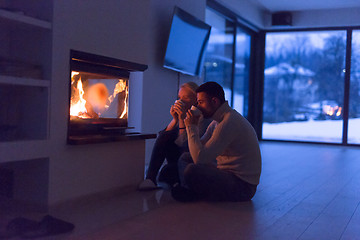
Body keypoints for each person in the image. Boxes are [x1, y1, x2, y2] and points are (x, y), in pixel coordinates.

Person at [171, 81, 262, 202]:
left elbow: (200, 158)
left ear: (214, 101)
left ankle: (191, 192)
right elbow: (197, 151)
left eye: (201, 102)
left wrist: (191, 127)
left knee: (191, 170)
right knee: (185, 158)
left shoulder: (229, 122)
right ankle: (189, 189)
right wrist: (192, 124)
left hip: (244, 186)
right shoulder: (217, 121)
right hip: (227, 174)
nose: (198, 106)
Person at [138, 82, 210, 190]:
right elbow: (161, 138)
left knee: (166, 172)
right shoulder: (184, 115)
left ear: (195, 100)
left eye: (185, 98)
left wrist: (181, 120)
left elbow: (185, 147)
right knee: (167, 137)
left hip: (189, 162)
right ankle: (150, 179)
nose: (180, 101)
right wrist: (175, 119)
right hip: (177, 159)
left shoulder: (201, 119)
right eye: (179, 97)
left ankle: (179, 183)